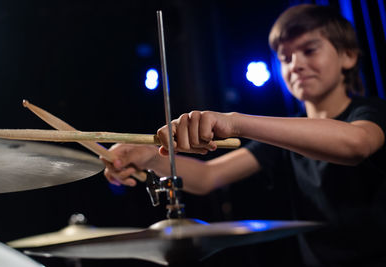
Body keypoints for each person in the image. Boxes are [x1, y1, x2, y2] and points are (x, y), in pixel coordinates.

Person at [102, 4, 386, 267]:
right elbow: (208, 177)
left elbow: (356, 144)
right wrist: (149, 157)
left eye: (309, 50)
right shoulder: (291, 132)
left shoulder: (371, 112)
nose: (295, 64)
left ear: (348, 56)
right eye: (285, 57)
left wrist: (234, 122)